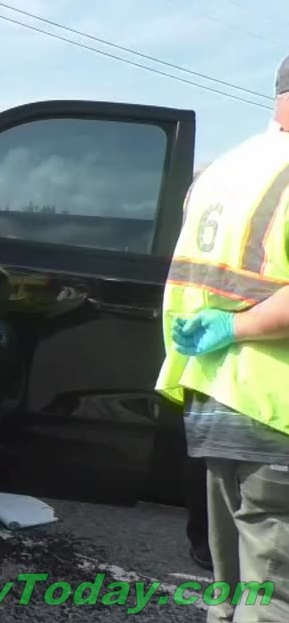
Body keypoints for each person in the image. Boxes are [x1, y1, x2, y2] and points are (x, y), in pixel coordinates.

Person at [156, 55, 289, 622]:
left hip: (215, 398)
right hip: (277, 408)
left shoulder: (221, 171)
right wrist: (237, 325)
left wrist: (223, 330)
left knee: (230, 587)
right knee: (274, 593)